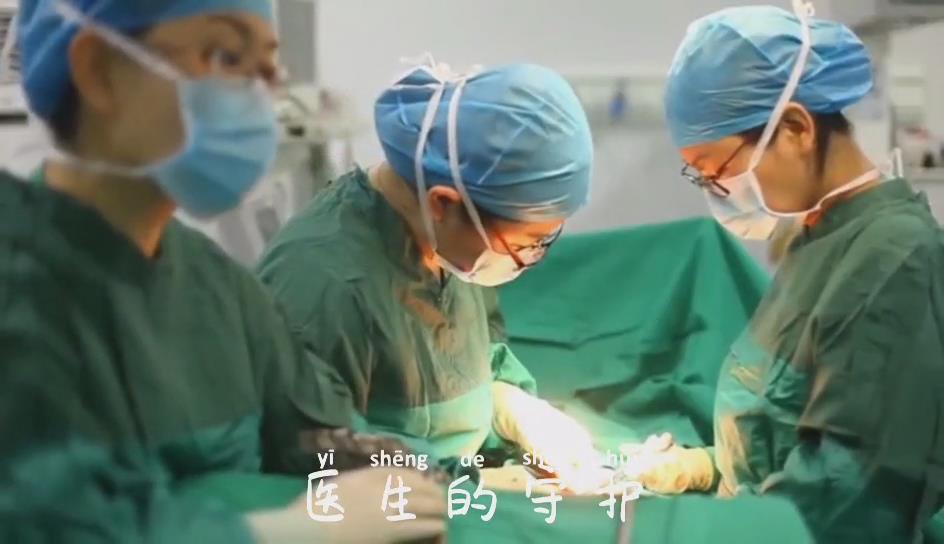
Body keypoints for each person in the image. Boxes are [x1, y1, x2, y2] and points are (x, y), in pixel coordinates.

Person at [0, 1, 444, 542]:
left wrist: (429, 477)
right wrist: (284, 533)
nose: (261, 99)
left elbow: (321, 427)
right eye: (227, 56)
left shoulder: (216, 285)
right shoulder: (20, 281)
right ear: (99, 69)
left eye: (268, 70)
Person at [623, 2, 944, 541]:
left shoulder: (895, 259)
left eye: (718, 170)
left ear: (796, 128)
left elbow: (846, 504)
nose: (718, 191)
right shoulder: (816, 239)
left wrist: (687, 531)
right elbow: (783, 437)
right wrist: (697, 468)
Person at [257, 57, 607, 490]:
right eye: (525, 244)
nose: (529, 258)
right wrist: (465, 484)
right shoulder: (323, 285)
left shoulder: (447, 250)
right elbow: (311, 454)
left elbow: (463, 367)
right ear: (444, 204)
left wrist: (508, 405)